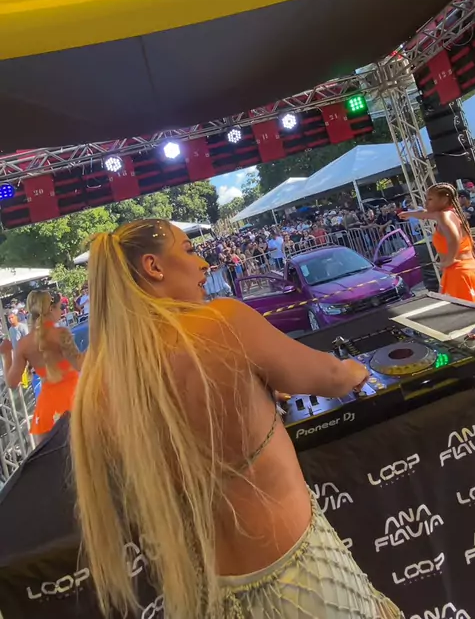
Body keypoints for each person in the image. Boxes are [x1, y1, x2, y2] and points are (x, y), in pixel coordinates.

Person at [70, 219, 403, 619]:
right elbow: (330, 377)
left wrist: (253, 393)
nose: (204, 264)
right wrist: (354, 370)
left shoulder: (98, 383)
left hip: (206, 595)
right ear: (153, 267)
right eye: (188, 251)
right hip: (303, 583)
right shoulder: (222, 320)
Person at [0, 290, 83, 441]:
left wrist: (6, 356)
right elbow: (79, 364)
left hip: (48, 409)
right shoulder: (61, 333)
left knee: (48, 452)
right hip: (75, 399)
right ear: (50, 309)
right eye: (59, 307)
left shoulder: (23, 344)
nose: (61, 311)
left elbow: (12, 382)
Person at [400, 182, 475, 302]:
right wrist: (409, 214)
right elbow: (424, 214)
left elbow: (454, 238)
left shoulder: (444, 216)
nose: (426, 203)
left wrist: (449, 260)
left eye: (430, 199)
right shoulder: (450, 213)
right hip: (468, 269)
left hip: (459, 273)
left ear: (444, 199)